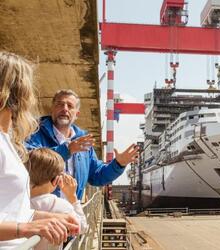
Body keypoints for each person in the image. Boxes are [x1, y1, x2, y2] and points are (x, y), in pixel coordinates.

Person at [0, 51, 79, 248]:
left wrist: (50, 218)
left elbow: (11, 210)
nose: (32, 97)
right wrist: (26, 229)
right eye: (28, 88)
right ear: (15, 93)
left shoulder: (7, 141)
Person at [26, 89, 139, 200]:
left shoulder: (83, 141)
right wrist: (66, 150)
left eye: (70, 106)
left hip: (72, 210)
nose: (64, 108)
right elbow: (30, 162)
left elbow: (96, 176)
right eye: (60, 104)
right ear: (52, 109)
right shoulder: (34, 132)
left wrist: (118, 164)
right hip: (41, 211)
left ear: (77, 114)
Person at [27, 148, 88, 250]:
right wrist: (72, 197)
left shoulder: (19, 202)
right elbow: (82, 227)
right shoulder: (60, 206)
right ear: (56, 180)